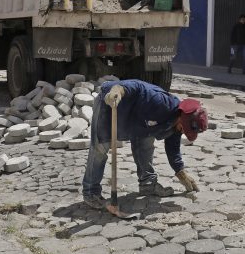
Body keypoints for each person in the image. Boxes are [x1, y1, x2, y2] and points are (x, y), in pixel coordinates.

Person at [82, 79, 208, 209]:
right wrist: (118, 90)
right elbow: (137, 86)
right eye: (184, 128)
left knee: (146, 144)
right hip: (111, 105)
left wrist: (180, 171)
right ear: (182, 118)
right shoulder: (159, 101)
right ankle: (91, 192)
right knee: (100, 149)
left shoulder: (177, 124)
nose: (182, 131)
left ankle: (148, 184)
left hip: (138, 121)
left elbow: (173, 148)